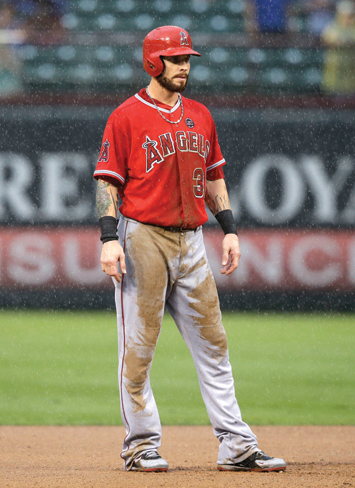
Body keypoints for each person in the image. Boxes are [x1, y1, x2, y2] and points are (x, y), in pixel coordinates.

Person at [93, 25, 286, 474]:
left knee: (215, 346)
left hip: (193, 240)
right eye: (176, 59)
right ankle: (141, 445)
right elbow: (107, 180)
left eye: (187, 59)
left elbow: (214, 174)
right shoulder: (126, 116)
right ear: (152, 62)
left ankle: (236, 444)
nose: (184, 66)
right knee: (138, 351)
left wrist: (230, 229)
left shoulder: (200, 114)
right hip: (143, 237)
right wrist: (107, 239)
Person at [321, 0, 355, 94]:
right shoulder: (333, 26)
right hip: (336, 68)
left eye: (350, 16)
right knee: (335, 95)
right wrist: (343, 43)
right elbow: (327, 40)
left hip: (351, 68)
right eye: (345, 15)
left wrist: (345, 42)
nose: (347, 18)